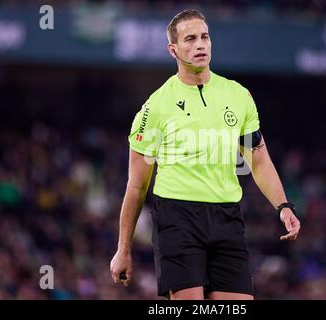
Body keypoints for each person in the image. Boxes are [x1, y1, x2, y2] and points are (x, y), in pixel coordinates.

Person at [110, 9, 301, 300]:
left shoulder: (238, 96)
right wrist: (123, 250)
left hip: (227, 217)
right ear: (173, 50)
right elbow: (137, 185)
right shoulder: (155, 108)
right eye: (190, 39)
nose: (200, 45)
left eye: (204, 37)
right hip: (177, 217)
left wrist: (283, 205)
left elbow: (258, 159)